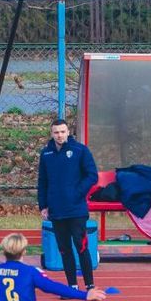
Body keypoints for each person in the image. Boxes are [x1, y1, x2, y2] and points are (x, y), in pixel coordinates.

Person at [38, 118, 99, 291]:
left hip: (76, 209)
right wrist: (43, 205)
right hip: (57, 210)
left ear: (68, 132)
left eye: (62, 132)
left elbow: (92, 175)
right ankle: (72, 285)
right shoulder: (46, 154)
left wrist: (77, 193)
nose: (59, 135)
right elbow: (43, 181)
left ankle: (89, 285)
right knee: (64, 249)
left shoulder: (80, 150)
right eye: (56, 132)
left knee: (81, 246)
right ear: (51, 134)